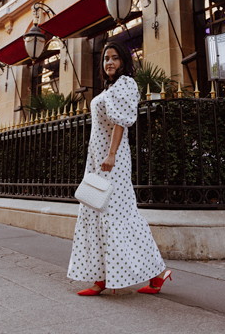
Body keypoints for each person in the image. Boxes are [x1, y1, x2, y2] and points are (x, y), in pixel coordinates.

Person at [67, 41, 171, 295]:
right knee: (98, 212)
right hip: (98, 159)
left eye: (114, 58)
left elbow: (120, 123)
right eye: (106, 59)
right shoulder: (110, 87)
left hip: (111, 160)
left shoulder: (126, 84)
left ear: (124, 61)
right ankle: (105, 277)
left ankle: (131, 276)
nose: (109, 62)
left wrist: (111, 154)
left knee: (115, 214)